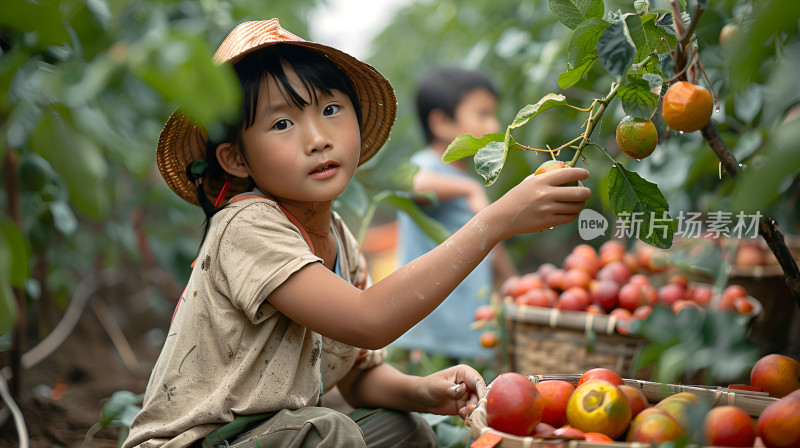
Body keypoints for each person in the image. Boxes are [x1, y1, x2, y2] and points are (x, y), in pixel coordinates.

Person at [124, 19, 591, 448]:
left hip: (280, 434)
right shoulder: (247, 224)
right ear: (236, 160)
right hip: (203, 441)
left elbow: (358, 375)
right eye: (282, 123)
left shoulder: (338, 238)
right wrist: (494, 222)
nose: (317, 138)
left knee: (404, 428)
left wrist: (427, 391)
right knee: (330, 431)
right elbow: (369, 319)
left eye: (330, 109)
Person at [393, 67, 517, 361]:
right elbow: (410, 182)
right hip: (432, 330)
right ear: (442, 123)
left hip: (467, 327)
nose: (495, 123)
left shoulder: (467, 179)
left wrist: (513, 283)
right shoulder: (428, 165)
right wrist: (468, 190)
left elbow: (491, 243)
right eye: (483, 114)